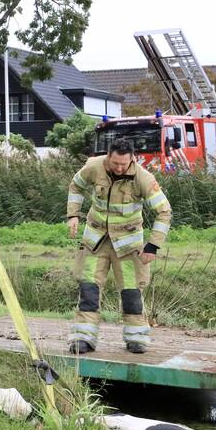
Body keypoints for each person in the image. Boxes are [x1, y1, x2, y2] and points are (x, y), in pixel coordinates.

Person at [66, 138, 172, 354]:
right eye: (115, 163)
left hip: (127, 247)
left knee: (131, 293)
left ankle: (136, 338)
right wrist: (73, 215)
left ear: (132, 159)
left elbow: (164, 212)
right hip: (96, 242)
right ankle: (83, 338)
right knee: (88, 290)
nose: (120, 168)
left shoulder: (143, 178)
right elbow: (76, 185)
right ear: (108, 156)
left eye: (124, 164)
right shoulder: (94, 166)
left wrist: (152, 246)